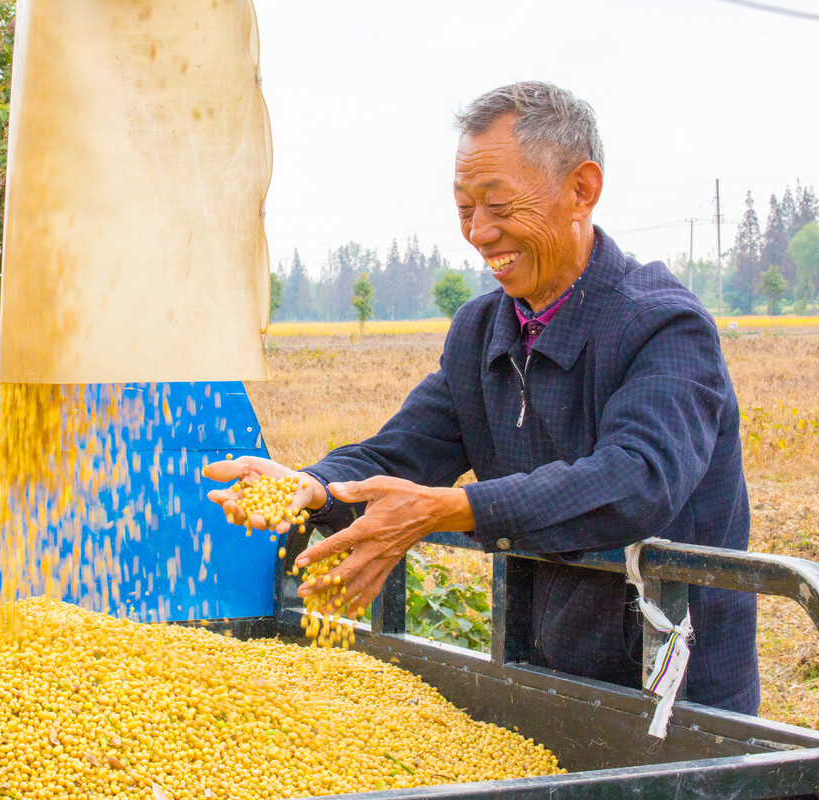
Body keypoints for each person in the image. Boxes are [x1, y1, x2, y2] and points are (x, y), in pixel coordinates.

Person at [204, 81, 758, 715]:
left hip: (672, 695)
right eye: (465, 208)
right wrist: (314, 486)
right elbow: (405, 451)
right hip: (546, 679)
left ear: (581, 190)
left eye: (498, 205)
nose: (479, 232)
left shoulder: (663, 326)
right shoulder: (482, 330)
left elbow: (638, 481)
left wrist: (452, 509)